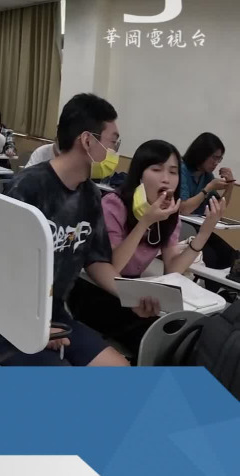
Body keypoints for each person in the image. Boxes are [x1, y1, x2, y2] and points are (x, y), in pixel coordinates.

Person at [0, 93, 134, 366]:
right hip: (2, 319)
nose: (114, 153)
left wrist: (132, 296)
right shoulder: (25, 189)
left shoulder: (91, 195)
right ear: (87, 140)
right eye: (112, 142)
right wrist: (33, 329)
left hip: (54, 315)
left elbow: (97, 261)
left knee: (121, 370)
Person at [69, 140, 224, 356]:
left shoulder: (170, 215)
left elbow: (172, 270)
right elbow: (112, 265)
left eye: (173, 172)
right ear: (140, 175)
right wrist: (145, 222)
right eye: (156, 169)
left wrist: (205, 233)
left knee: (187, 332)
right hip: (96, 290)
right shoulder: (114, 204)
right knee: (160, 342)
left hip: (135, 291)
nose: (166, 179)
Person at [179, 132, 234, 216]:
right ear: (201, 154)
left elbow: (217, 210)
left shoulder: (207, 175)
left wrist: (230, 185)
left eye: (219, 159)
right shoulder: (181, 170)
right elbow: (184, 209)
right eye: (214, 158)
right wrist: (208, 188)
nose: (216, 163)